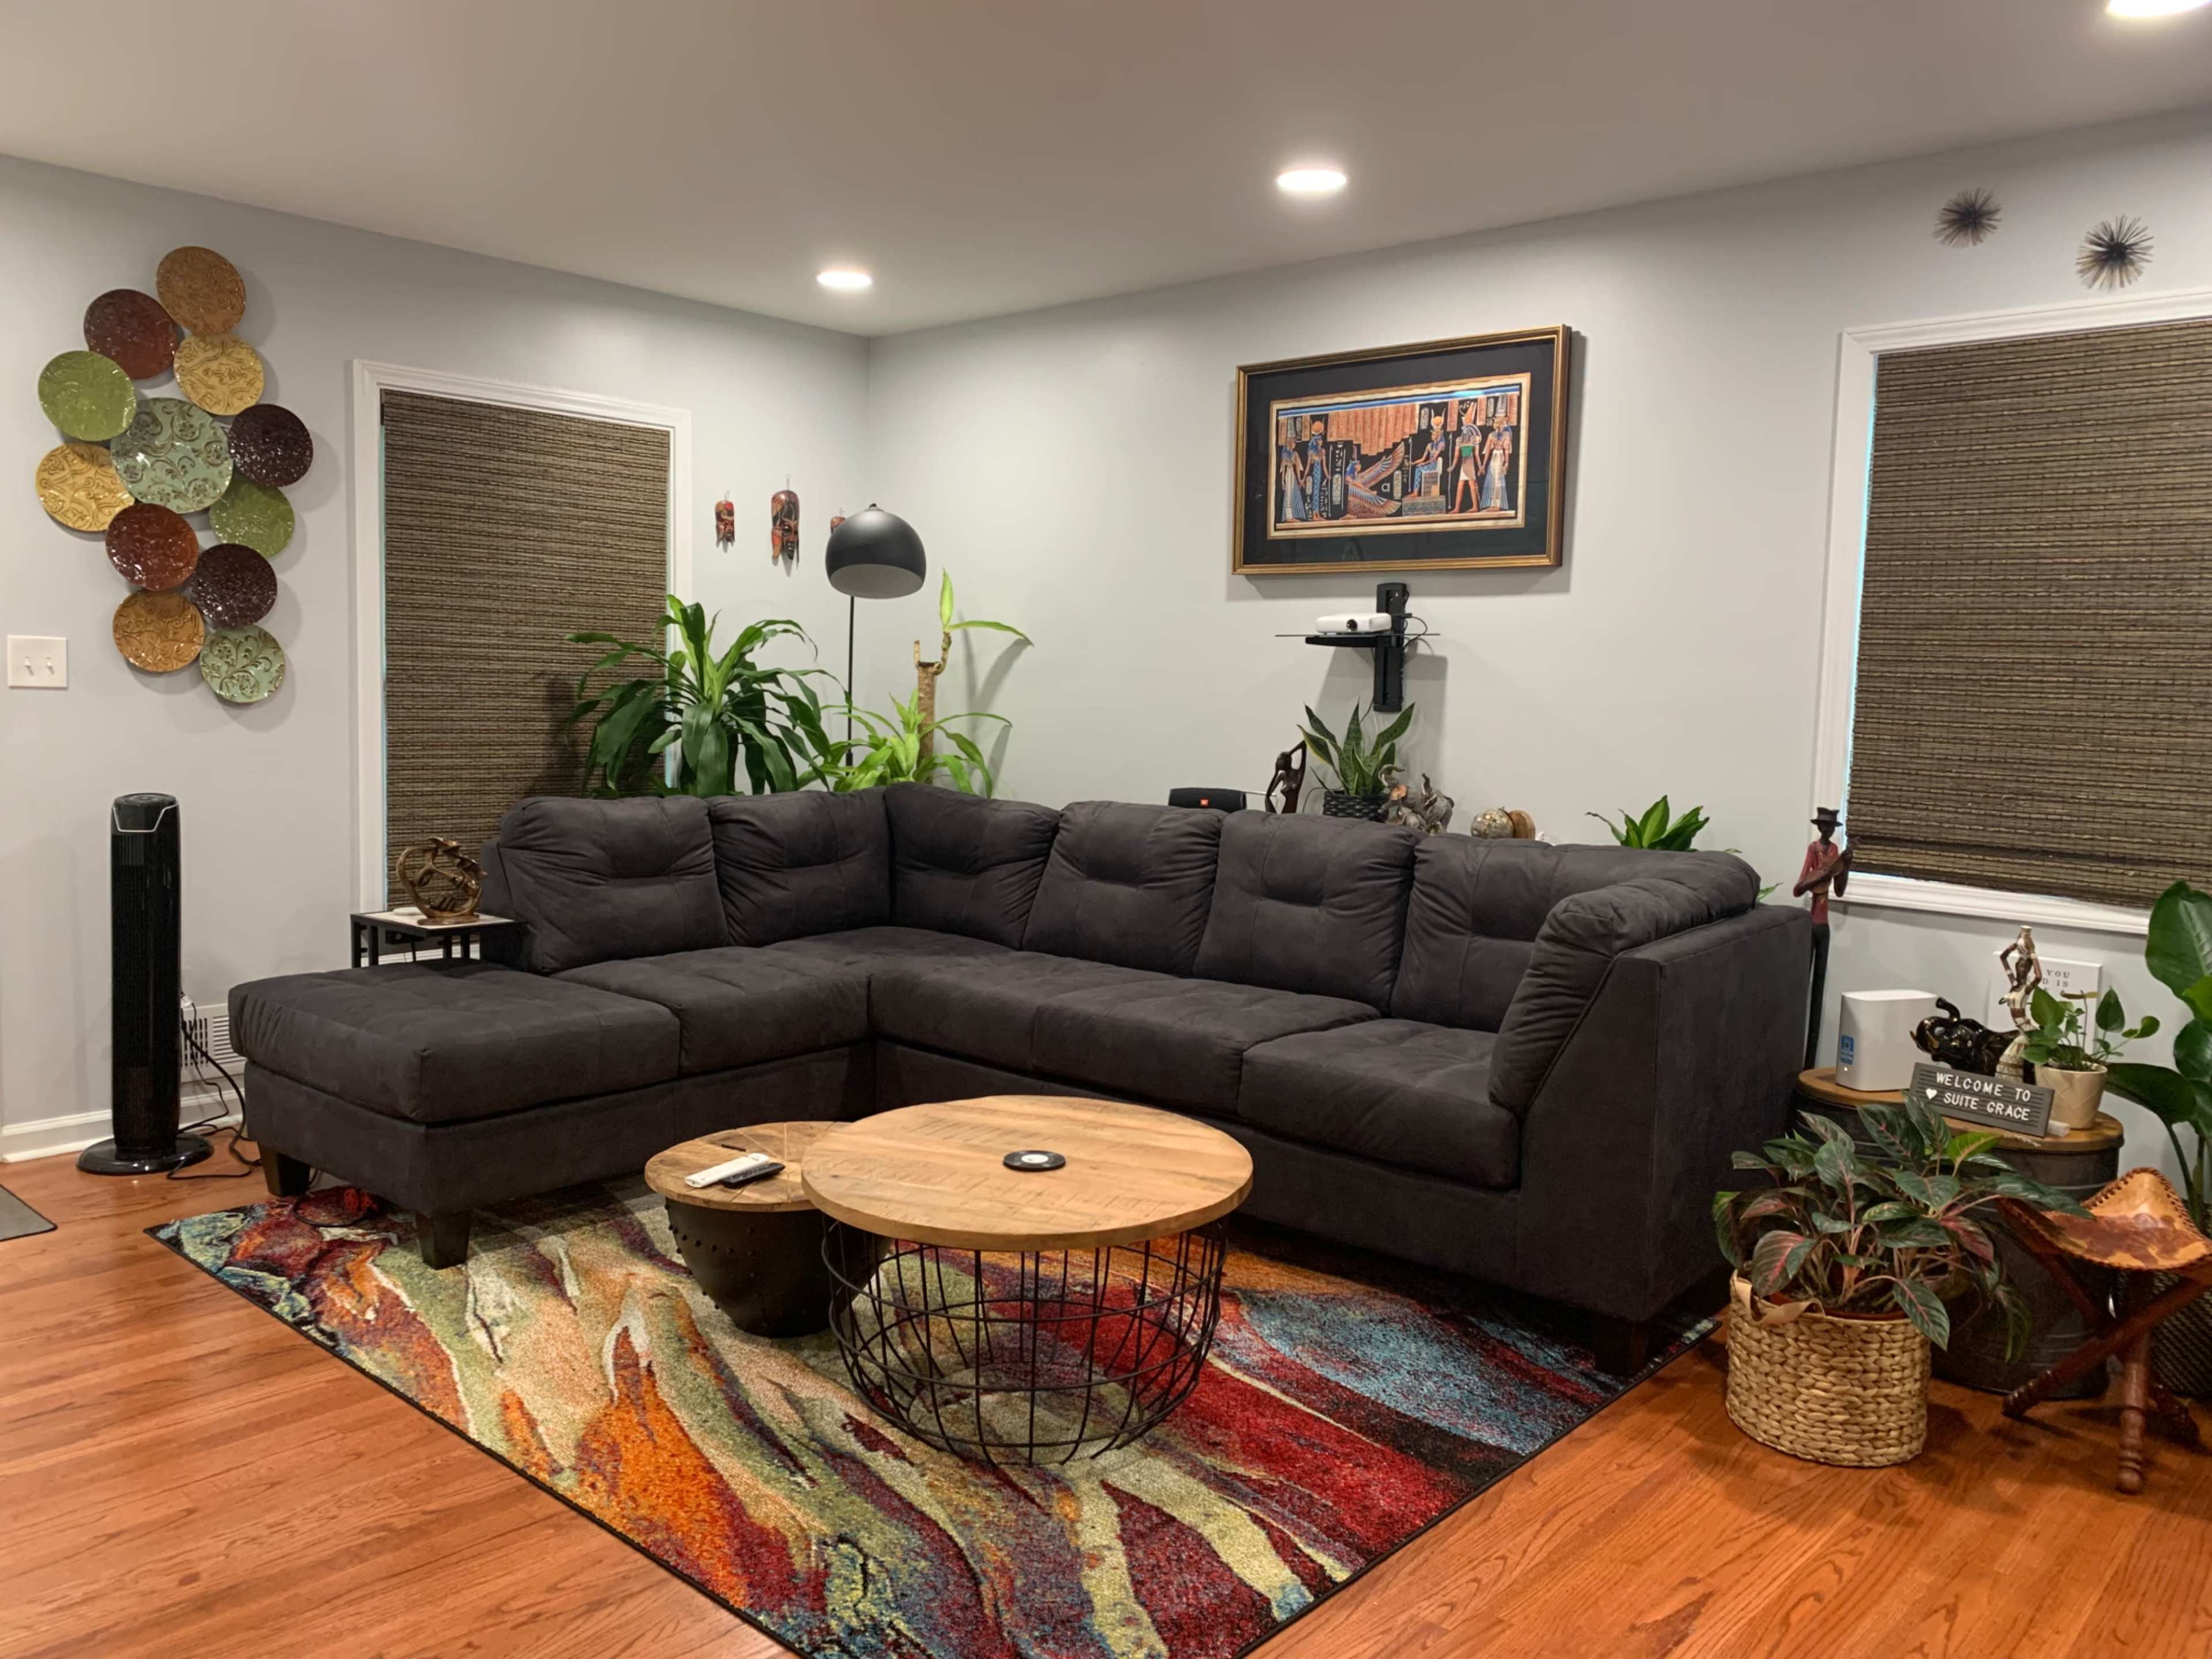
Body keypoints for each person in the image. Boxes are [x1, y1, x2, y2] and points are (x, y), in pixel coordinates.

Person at [1793, 808, 1853, 1071]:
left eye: (1830, 827)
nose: (1827, 831)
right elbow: (1799, 889)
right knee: (1804, 989)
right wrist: (1818, 876)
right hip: (1811, 924)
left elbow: (1840, 890)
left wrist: (1845, 866)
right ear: (1819, 828)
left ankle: (1810, 1066)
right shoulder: (1814, 849)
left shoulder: (1835, 851)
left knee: (1819, 994)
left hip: (1824, 925)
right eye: (1824, 826)